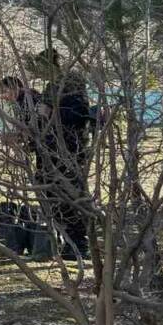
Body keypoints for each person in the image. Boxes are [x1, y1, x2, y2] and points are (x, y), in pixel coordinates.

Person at [36, 51, 93, 258]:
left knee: (69, 195)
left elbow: (79, 115)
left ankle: (78, 242)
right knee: (52, 194)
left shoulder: (70, 84)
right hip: (51, 150)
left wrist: (52, 113)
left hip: (69, 150)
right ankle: (65, 238)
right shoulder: (52, 87)